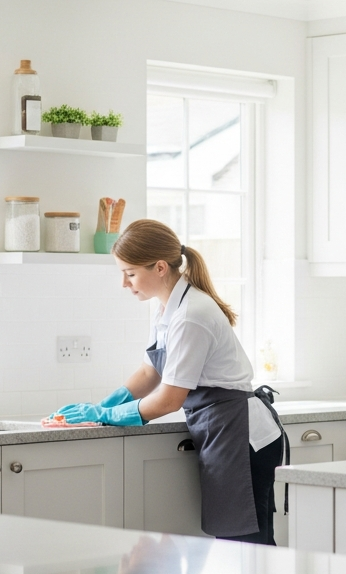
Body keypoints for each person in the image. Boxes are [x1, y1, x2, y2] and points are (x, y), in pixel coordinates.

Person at [52, 219, 286, 545]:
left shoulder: (192, 314)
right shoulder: (168, 309)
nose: (124, 283)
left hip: (241, 436)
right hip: (222, 430)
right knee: (235, 544)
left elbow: (169, 399)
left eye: (130, 273)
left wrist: (105, 416)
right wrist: (104, 404)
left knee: (249, 545)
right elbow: (151, 372)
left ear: (160, 267)